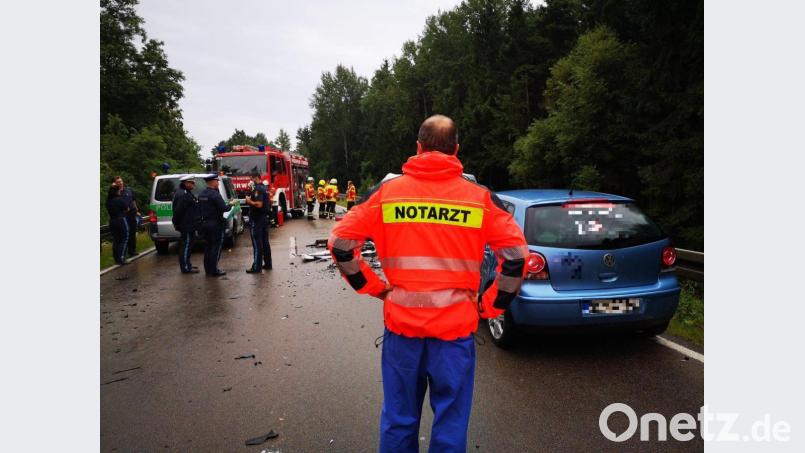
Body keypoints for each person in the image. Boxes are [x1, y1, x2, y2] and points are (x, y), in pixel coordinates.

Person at [328, 114, 528, 453]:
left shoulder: (386, 194)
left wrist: (376, 288)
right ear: (456, 150)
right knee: (450, 424)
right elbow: (517, 258)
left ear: (418, 148)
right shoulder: (478, 198)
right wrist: (490, 306)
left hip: (402, 330)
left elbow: (340, 244)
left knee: (398, 419)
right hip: (454, 335)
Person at [197, 174, 235, 276]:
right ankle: (214, 270)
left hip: (205, 224)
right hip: (215, 224)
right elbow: (224, 208)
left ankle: (208, 269)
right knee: (215, 247)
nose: (218, 183)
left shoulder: (201, 194)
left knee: (208, 247)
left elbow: (199, 209)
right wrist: (230, 204)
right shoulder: (215, 195)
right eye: (217, 181)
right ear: (213, 182)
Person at [244, 173, 273, 273]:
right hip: (264, 218)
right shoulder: (264, 188)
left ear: (256, 178)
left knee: (257, 244)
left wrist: (249, 201)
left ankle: (256, 267)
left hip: (257, 219)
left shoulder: (258, 189)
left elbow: (259, 204)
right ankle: (268, 264)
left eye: (251, 179)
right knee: (265, 242)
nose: (250, 181)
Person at [172, 175, 200, 274]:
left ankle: (188, 264)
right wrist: (177, 223)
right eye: (192, 183)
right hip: (186, 225)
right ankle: (185, 267)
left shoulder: (185, 192)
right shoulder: (183, 194)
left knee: (189, 245)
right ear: (186, 183)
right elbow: (178, 211)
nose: (194, 184)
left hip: (189, 224)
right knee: (186, 246)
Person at [114, 176, 140, 257]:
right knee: (125, 234)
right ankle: (123, 253)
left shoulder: (128, 190)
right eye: (118, 182)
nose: (120, 183)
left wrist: (137, 210)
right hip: (124, 216)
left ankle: (132, 251)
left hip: (132, 214)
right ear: (115, 183)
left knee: (132, 233)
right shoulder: (116, 193)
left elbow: (133, 200)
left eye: (121, 181)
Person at [106, 184, 130, 265]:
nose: (120, 191)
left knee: (116, 239)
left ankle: (116, 258)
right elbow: (127, 208)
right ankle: (122, 257)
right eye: (119, 190)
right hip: (121, 220)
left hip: (112, 221)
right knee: (125, 238)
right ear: (116, 191)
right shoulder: (119, 200)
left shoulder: (108, 201)